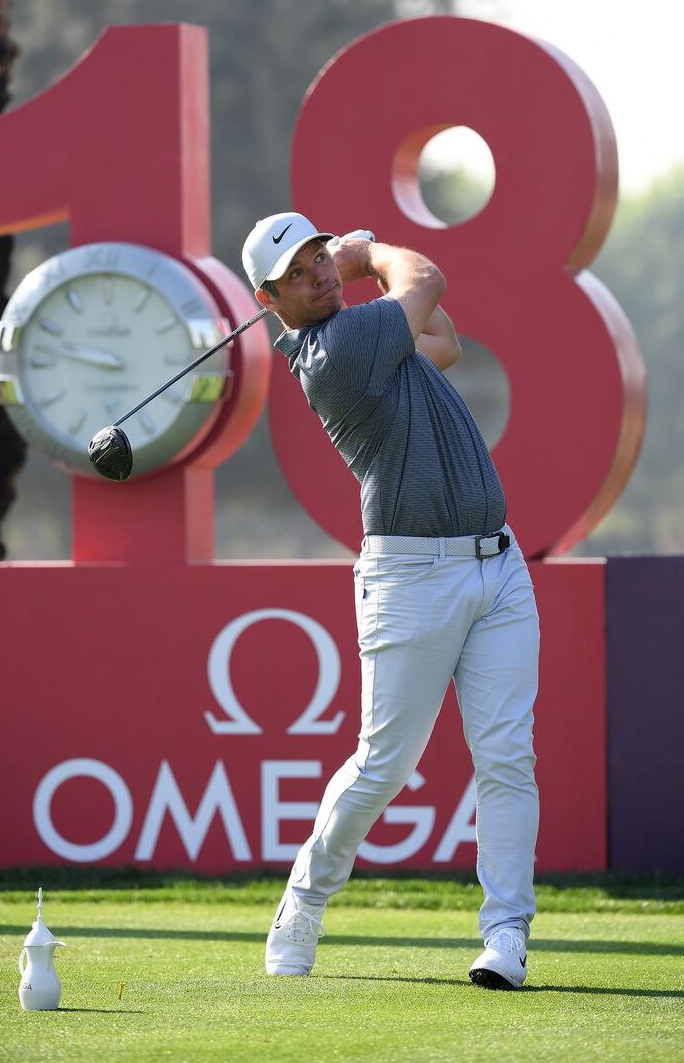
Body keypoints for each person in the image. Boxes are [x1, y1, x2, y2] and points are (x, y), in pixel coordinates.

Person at [241, 212, 540, 990]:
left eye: (318, 258)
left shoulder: (371, 334)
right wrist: (367, 252)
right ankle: (303, 900)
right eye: (300, 273)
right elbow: (429, 283)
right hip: (411, 578)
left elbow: (443, 340)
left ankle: (506, 934)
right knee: (384, 764)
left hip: (499, 567)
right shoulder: (335, 351)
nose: (317, 274)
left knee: (507, 756)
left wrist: (363, 273)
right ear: (272, 300)